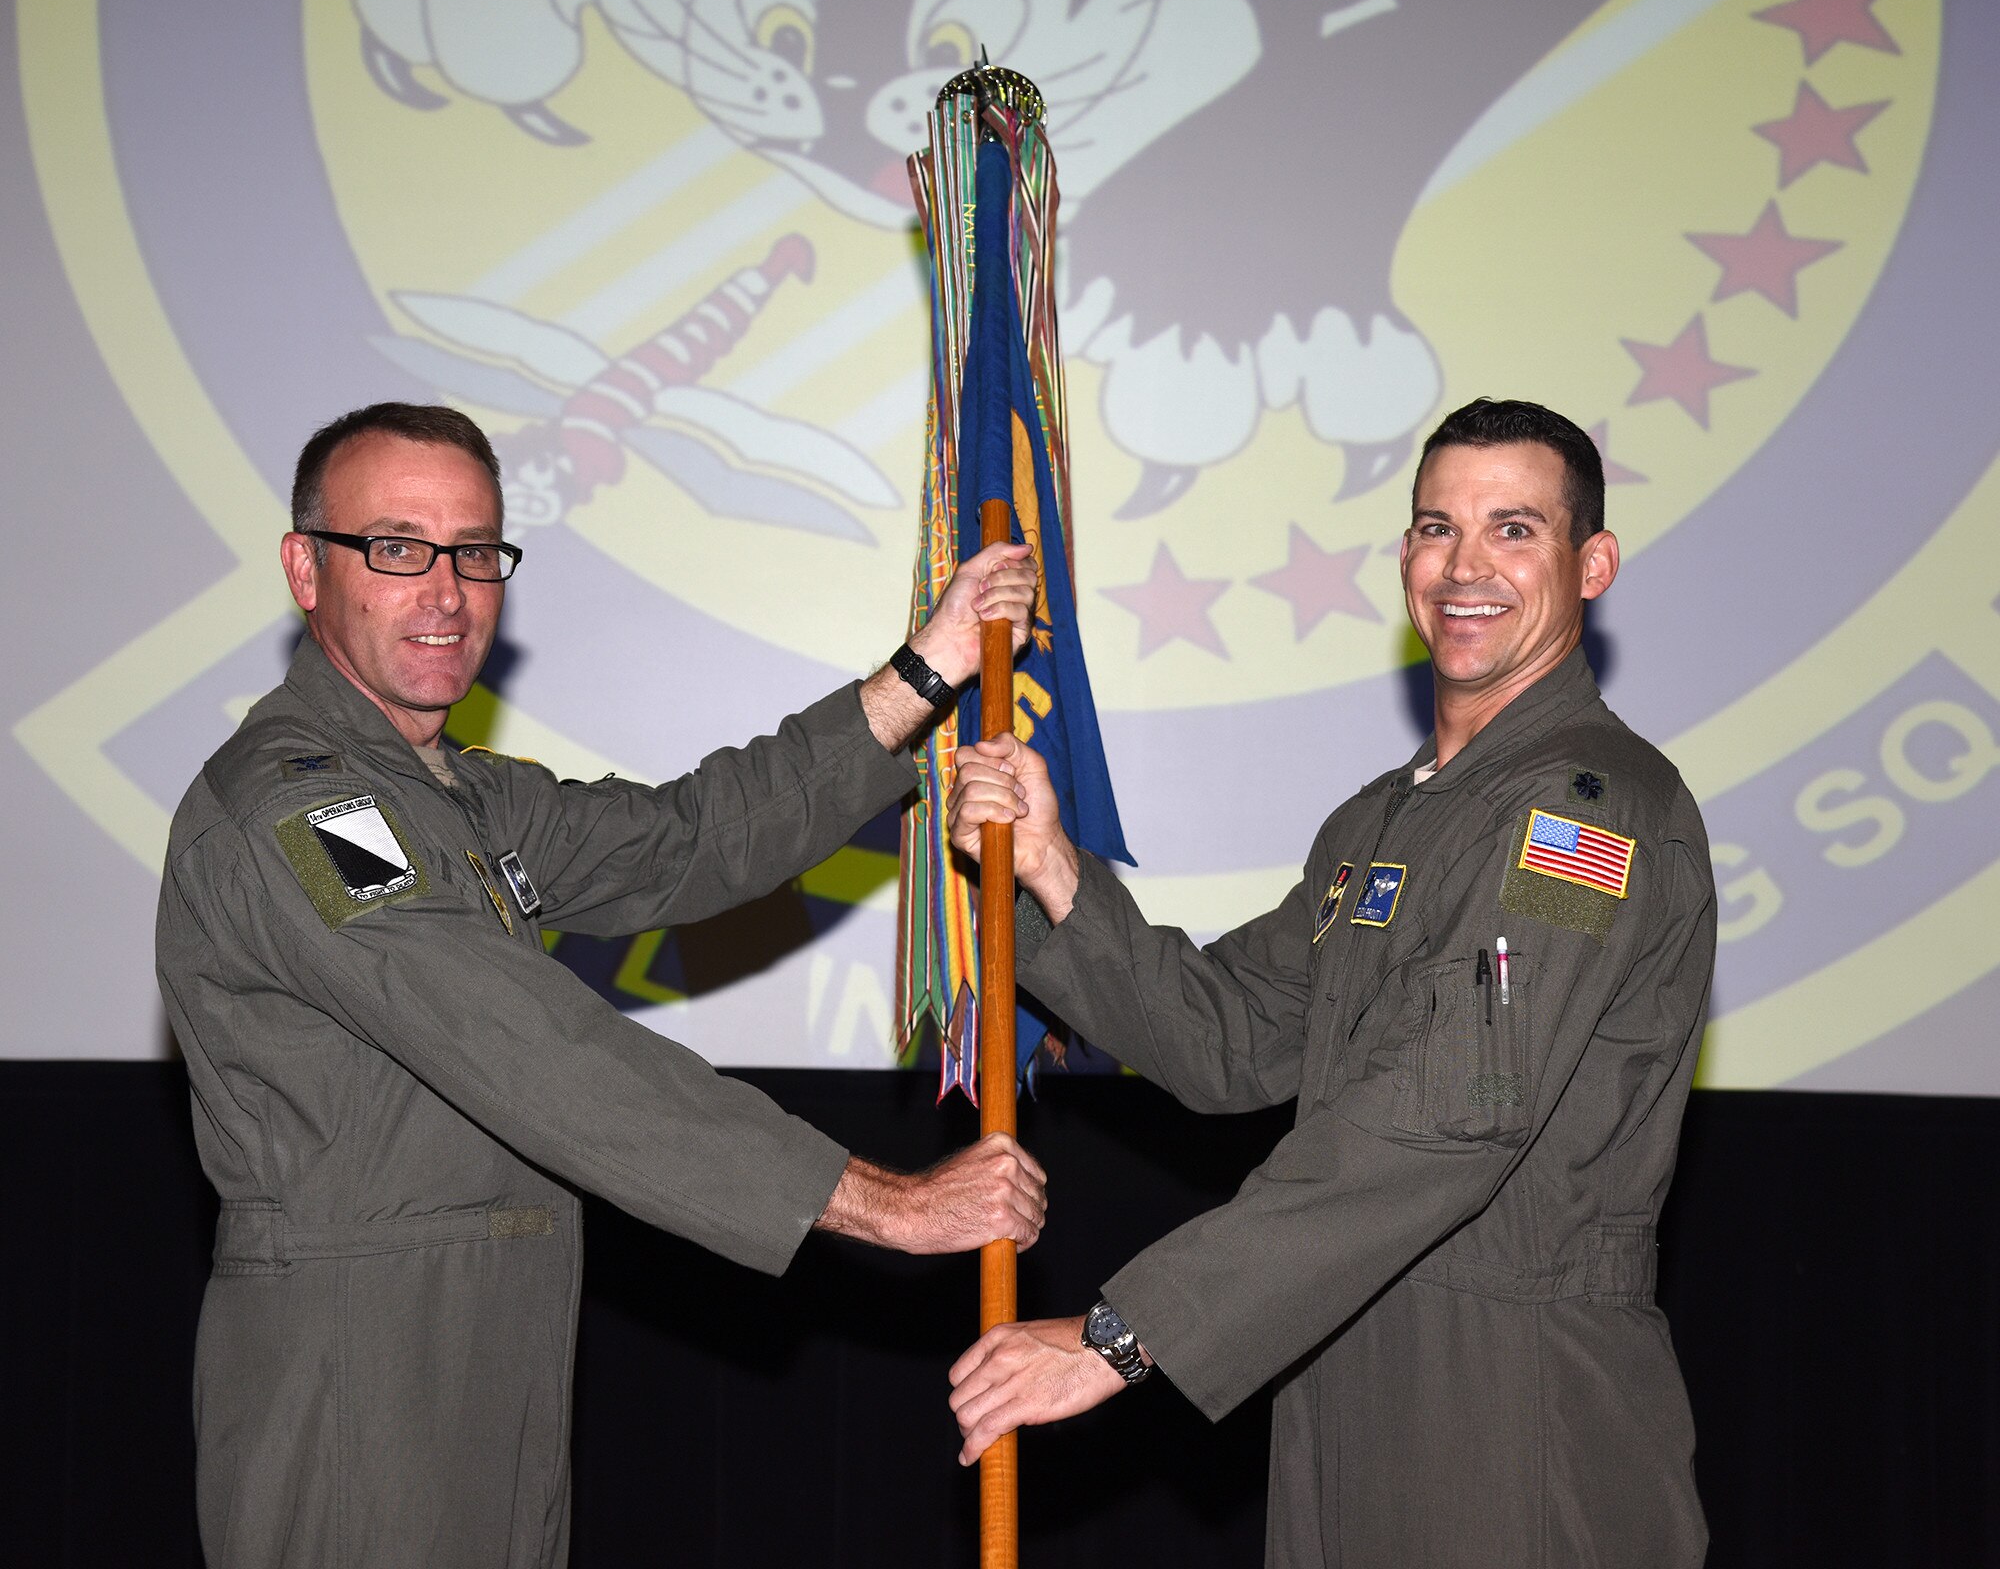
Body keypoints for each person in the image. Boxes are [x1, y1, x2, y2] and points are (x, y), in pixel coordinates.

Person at [155, 402, 1046, 1569]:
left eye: (475, 551)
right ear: (304, 571)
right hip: (359, 1368)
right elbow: (530, 1049)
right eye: (395, 547)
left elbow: (683, 839)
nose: (445, 590)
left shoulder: (450, 793)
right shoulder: (303, 806)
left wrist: (923, 670)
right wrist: (882, 1202)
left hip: (493, 1346)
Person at [945, 398, 1715, 1567]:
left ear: (1590, 563)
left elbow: (1449, 1115)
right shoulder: (1380, 821)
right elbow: (1226, 1039)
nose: (1463, 567)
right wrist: (1055, 872)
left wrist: (1123, 1335)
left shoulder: (1583, 809)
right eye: (1433, 527)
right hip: (1340, 1364)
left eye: (1513, 530)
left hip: (1513, 1399)